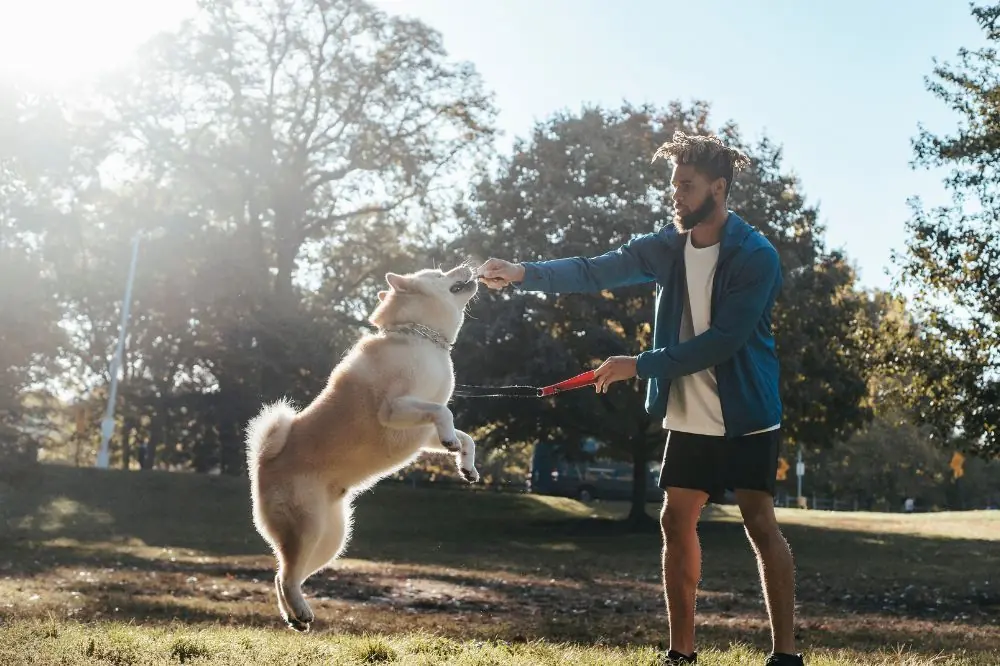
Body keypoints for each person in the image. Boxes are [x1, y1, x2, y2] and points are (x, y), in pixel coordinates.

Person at [477, 131, 803, 666]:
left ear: (718, 189)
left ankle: (785, 655)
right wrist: (522, 274)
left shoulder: (755, 256)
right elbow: (593, 269)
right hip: (689, 415)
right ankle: (681, 653)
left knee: (760, 524)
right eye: (674, 184)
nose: (676, 195)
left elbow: (723, 341)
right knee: (675, 521)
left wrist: (637, 365)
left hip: (747, 414)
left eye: (687, 185)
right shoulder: (667, 247)